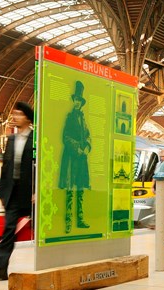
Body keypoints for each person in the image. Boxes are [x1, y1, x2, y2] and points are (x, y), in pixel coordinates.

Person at [0, 102, 34, 280]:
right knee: (8, 229)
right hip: (13, 193)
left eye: (19, 114)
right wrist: (1, 191)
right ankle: (0, 267)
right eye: (14, 113)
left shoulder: (36, 139)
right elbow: (6, 167)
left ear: (28, 118)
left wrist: (37, 191)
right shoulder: (11, 139)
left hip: (30, 194)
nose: (14, 117)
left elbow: (41, 166)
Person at [59, 80, 91, 234]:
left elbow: (88, 135)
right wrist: (78, 148)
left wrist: (87, 146)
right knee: (70, 190)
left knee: (80, 190)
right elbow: (65, 137)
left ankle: (80, 219)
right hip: (72, 158)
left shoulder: (83, 118)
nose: (77, 102)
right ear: (74, 101)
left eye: (79, 100)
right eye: (76, 99)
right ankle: (68, 222)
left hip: (81, 159)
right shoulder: (70, 117)